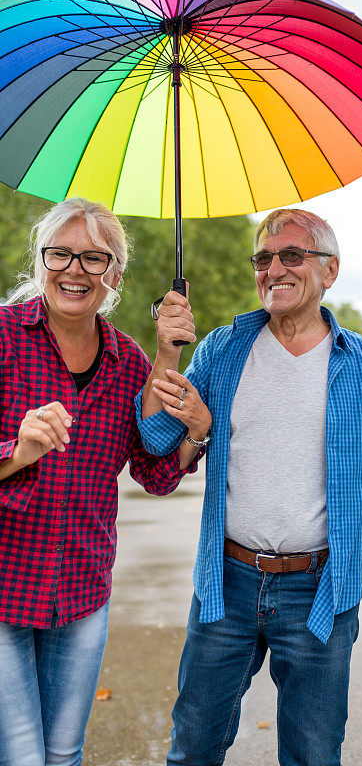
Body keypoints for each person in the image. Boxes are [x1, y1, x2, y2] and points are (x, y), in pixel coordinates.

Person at [136, 208, 362, 766]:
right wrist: (168, 352)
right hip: (225, 585)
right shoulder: (222, 350)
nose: (273, 268)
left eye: (291, 255)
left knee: (312, 754)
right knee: (194, 746)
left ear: (330, 271)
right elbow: (156, 437)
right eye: (263, 258)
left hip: (320, 589)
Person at [0, 198, 208, 766]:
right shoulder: (3, 338)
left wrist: (195, 431)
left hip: (82, 589)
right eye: (61, 254)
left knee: (64, 754)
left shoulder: (130, 361)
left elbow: (157, 471)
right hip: (3, 582)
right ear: (40, 262)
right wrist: (16, 453)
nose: (74, 269)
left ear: (115, 275)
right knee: (21, 756)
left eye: (94, 258)